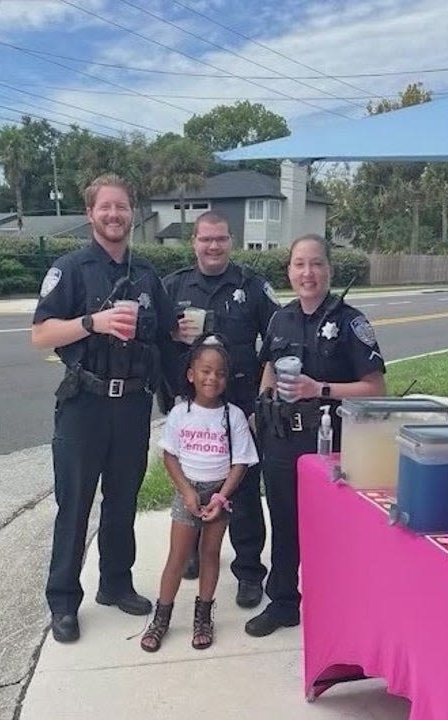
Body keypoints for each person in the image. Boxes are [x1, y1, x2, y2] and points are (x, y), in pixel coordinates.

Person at [30, 173, 178, 644]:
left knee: (123, 502)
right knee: (73, 506)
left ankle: (115, 584)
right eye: (105, 207)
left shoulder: (149, 276)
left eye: (122, 207)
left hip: (132, 405)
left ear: (132, 213)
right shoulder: (70, 269)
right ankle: (63, 602)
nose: (114, 215)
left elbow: (164, 341)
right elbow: (40, 335)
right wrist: (92, 322)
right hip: (84, 404)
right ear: (91, 212)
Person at [246, 234, 388, 637]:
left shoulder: (350, 321)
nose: (307, 273)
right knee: (284, 521)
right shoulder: (279, 318)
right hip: (280, 441)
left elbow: (375, 388)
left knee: (332, 529)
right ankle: (284, 602)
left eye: (316, 264)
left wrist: (319, 389)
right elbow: (269, 367)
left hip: (331, 441)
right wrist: (261, 407)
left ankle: (338, 606)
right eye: (299, 265)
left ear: (329, 269)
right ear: (289, 270)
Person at [159, 210, 280, 609]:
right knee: (192, 483)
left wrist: (263, 398)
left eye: (221, 239)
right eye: (205, 239)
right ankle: (192, 551)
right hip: (193, 411)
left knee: (243, 493)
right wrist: (171, 335)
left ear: (232, 241)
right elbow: (156, 346)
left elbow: (278, 340)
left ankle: (248, 571)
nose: (213, 246)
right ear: (193, 241)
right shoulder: (173, 286)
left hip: (240, 410)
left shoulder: (253, 286)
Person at [139, 336, 259, 652]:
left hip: (220, 494)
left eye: (220, 373)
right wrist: (187, 492)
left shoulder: (233, 416)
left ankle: (203, 615)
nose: (212, 378)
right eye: (205, 371)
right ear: (191, 374)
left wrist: (221, 497)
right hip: (188, 492)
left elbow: (241, 462)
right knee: (177, 557)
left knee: (209, 554)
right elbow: (169, 456)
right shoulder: (181, 413)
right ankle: (161, 618)